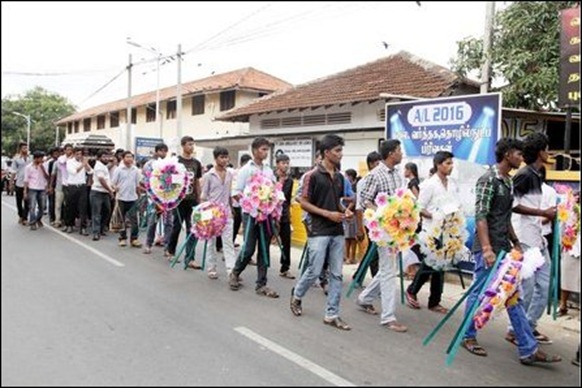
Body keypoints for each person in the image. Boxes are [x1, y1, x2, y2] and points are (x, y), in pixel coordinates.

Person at [461, 138, 561, 365]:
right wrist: (486, 249)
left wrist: (515, 241)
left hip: (504, 248)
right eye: (517, 153)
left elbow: (505, 216)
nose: (520, 157)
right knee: (479, 293)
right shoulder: (488, 180)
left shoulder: (507, 181)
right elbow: (481, 216)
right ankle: (467, 336)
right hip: (487, 248)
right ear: (507, 154)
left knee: (513, 297)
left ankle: (528, 348)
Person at [291, 134, 353, 330]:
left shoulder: (341, 177)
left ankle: (332, 314)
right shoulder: (311, 176)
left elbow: (338, 204)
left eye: (341, 150)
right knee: (314, 270)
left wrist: (346, 212)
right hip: (318, 230)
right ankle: (297, 295)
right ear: (327, 153)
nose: (340, 155)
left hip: (337, 229)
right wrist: (328, 214)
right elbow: (302, 201)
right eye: (337, 151)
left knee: (336, 274)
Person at [506, 133, 556, 345]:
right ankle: (515, 330)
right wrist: (543, 213)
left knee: (546, 285)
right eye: (546, 149)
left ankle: (528, 325)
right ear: (540, 152)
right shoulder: (525, 175)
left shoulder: (536, 174)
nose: (549, 153)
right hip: (524, 239)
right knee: (527, 287)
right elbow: (513, 204)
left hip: (537, 239)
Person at [356, 139, 408, 333]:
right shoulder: (375, 175)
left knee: (388, 268)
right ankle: (388, 317)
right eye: (399, 150)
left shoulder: (398, 174)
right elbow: (365, 200)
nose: (401, 154)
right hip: (383, 229)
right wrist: (382, 213)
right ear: (391, 154)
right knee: (388, 270)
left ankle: (365, 298)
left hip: (397, 228)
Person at [406, 151, 458, 314]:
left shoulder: (452, 184)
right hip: (431, 230)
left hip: (448, 229)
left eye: (451, 163)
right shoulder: (429, 184)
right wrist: (435, 216)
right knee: (431, 263)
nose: (451, 166)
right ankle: (412, 290)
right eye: (447, 163)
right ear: (438, 164)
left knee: (440, 266)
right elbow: (419, 207)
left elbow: (454, 204)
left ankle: (434, 301)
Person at [229, 137, 279, 298]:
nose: (265, 152)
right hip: (250, 214)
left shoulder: (268, 170)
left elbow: (273, 191)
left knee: (264, 248)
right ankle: (235, 273)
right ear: (255, 150)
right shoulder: (245, 170)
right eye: (263, 149)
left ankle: (261, 284)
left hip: (266, 215)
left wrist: (273, 206)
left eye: (267, 150)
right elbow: (236, 193)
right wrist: (250, 206)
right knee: (249, 247)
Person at [167, 136, 203, 267]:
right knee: (176, 227)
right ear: (183, 146)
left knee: (192, 229)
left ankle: (190, 258)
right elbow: (169, 180)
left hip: (192, 200)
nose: (191, 147)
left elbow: (198, 181)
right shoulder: (177, 161)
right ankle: (171, 251)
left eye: (193, 144)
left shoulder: (196, 163)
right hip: (179, 201)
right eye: (189, 144)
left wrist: (199, 198)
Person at [200, 146, 235, 279]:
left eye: (226, 157)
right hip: (212, 213)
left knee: (228, 242)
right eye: (222, 157)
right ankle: (211, 268)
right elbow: (204, 196)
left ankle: (231, 270)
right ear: (215, 159)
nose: (225, 160)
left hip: (226, 213)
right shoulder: (209, 175)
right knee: (211, 243)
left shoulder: (230, 174)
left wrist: (231, 208)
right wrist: (204, 214)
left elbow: (230, 194)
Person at [352, 151, 382, 287]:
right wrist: (359, 228)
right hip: (369, 221)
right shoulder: (363, 181)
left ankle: (358, 276)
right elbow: (359, 206)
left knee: (372, 250)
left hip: (381, 220)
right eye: (377, 163)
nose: (380, 166)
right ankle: (376, 282)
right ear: (371, 164)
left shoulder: (381, 177)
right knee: (373, 252)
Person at [142, 143, 174, 254]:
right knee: (152, 221)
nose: (163, 153)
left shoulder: (170, 164)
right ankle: (148, 244)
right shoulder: (150, 164)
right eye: (161, 151)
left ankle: (167, 247)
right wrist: (153, 196)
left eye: (165, 151)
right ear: (156, 151)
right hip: (155, 198)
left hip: (168, 197)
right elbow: (146, 181)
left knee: (169, 223)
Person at [111, 151, 142, 247]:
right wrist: (115, 188)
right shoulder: (118, 170)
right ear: (123, 158)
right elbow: (113, 182)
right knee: (121, 219)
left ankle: (134, 239)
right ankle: (122, 238)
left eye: (131, 157)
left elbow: (138, 184)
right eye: (127, 157)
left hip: (133, 198)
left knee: (134, 220)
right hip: (121, 197)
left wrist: (139, 195)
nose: (129, 159)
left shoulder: (136, 170)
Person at [275, 153, 295, 279]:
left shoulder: (290, 181)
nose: (286, 165)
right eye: (283, 163)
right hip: (269, 214)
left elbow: (285, 198)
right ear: (277, 164)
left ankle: (285, 267)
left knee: (286, 241)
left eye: (287, 163)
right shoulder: (270, 177)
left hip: (284, 214)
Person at [65, 147, 92, 235]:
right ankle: (69, 225)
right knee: (70, 206)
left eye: (80, 154)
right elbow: (74, 172)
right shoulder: (69, 162)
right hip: (72, 186)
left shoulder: (83, 162)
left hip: (82, 186)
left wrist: (86, 164)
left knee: (83, 207)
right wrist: (83, 164)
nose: (79, 156)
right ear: (73, 154)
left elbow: (91, 172)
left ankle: (83, 227)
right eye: (77, 154)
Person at [90, 150, 115, 241]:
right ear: (99, 158)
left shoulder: (104, 166)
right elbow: (101, 180)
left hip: (105, 192)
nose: (106, 158)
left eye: (107, 156)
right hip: (97, 192)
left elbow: (107, 180)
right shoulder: (99, 166)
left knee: (107, 211)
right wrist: (110, 191)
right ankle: (96, 233)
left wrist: (111, 187)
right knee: (96, 213)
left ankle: (101, 229)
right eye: (104, 157)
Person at [23, 151, 49, 230]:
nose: (42, 160)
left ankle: (38, 219)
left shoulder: (44, 166)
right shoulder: (28, 167)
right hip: (32, 188)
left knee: (42, 207)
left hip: (42, 189)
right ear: (36, 158)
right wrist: (25, 191)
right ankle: (32, 222)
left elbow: (47, 177)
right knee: (32, 206)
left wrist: (42, 168)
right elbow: (26, 180)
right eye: (40, 158)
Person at [232, 154, 252, 248]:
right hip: (237, 204)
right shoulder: (238, 173)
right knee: (235, 226)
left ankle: (245, 250)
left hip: (246, 206)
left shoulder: (250, 173)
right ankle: (230, 246)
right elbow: (234, 190)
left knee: (245, 229)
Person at [11, 142, 30, 225]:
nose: (25, 149)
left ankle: (25, 218)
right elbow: (13, 171)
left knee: (27, 202)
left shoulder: (31, 158)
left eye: (26, 148)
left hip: (29, 183)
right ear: (20, 149)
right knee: (19, 202)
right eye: (24, 148)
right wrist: (11, 182)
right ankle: (21, 216)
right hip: (19, 182)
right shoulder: (16, 159)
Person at [343, 168, 359, 265]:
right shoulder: (348, 186)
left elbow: (354, 200)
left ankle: (351, 257)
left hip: (352, 214)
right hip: (347, 213)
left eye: (346, 175)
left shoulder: (354, 187)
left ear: (350, 176)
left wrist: (347, 210)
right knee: (347, 237)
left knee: (352, 238)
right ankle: (347, 256)